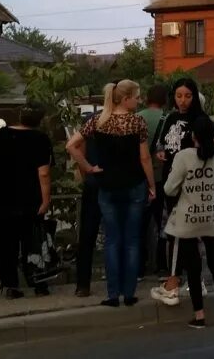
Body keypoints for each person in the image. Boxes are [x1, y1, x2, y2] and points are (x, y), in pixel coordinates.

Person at [66, 80, 155, 307]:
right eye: (136, 96)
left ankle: (112, 294)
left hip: (106, 184)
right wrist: (151, 185)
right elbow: (144, 158)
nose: (139, 100)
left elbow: (72, 146)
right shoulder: (137, 123)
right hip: (134, 183)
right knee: (133, 240)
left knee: (112, 240)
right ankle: (130, 292)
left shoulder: (98, 121)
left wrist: (88, 167)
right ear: (126, 99)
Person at [160, 118, 214, 329]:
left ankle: (199, 316)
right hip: (212, 215)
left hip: (189, 217)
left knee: (193, 267)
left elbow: (169, 188)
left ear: (193, 136)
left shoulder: (183, 157)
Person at [151, 78, 214, 302]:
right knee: (176, 232)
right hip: (171, 177)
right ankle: (186, 279)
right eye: (179, 96)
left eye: (188, 96)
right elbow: (162, 142)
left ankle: (177, 282)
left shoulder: (199, 120)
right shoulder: (170, 117)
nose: (183, 101)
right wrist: (161, 152)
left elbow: (205, 149)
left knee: (185, 233)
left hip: (190, 183)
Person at [0, 103, 53, 298]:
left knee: (4, 244)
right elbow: (44, 173)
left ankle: (11, 285)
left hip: (1, 199)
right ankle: (39, 282)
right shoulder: (40, 139)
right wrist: (45, 200)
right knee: (33, 242)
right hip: (30, 199)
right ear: (39, 121)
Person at [138, 84, 168, 278]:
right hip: (161, 177)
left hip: (140, 177)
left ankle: (140, 265)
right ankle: (162, 265)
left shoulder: (137, 117)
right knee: (162, 223)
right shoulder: (167, 119)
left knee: (140, 224)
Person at [73, 113, 102, 297]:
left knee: (87, 236)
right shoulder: (126, 121)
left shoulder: (92, 121)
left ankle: (83, 284)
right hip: (116, 183)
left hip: (93, 181)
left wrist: (87, 171)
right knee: (119, 236)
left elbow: (78, 148)